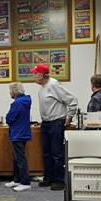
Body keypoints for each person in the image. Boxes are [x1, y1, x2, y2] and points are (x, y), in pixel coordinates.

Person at [31, 63, 78, 191]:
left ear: (40, 75)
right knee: (46, 153)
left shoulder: (54, 84)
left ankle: (59, 180)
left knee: (56, 153)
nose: (33, 76)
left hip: (56, 122)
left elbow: (72, 100)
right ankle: (49, 177)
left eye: (35, 74)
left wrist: (70, 116)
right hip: (45, 123)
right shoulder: (42, 87)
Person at [3, 82, 32, 192]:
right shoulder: (25, 100)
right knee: (16, 158)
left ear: (14, 92)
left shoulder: (17, 103)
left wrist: (7, 117)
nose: (9, 93)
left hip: (18, 134)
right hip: (22, 132)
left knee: (20, 159)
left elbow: (9, 118)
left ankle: (25, 182)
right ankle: (17, 180)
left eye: (10, 91)